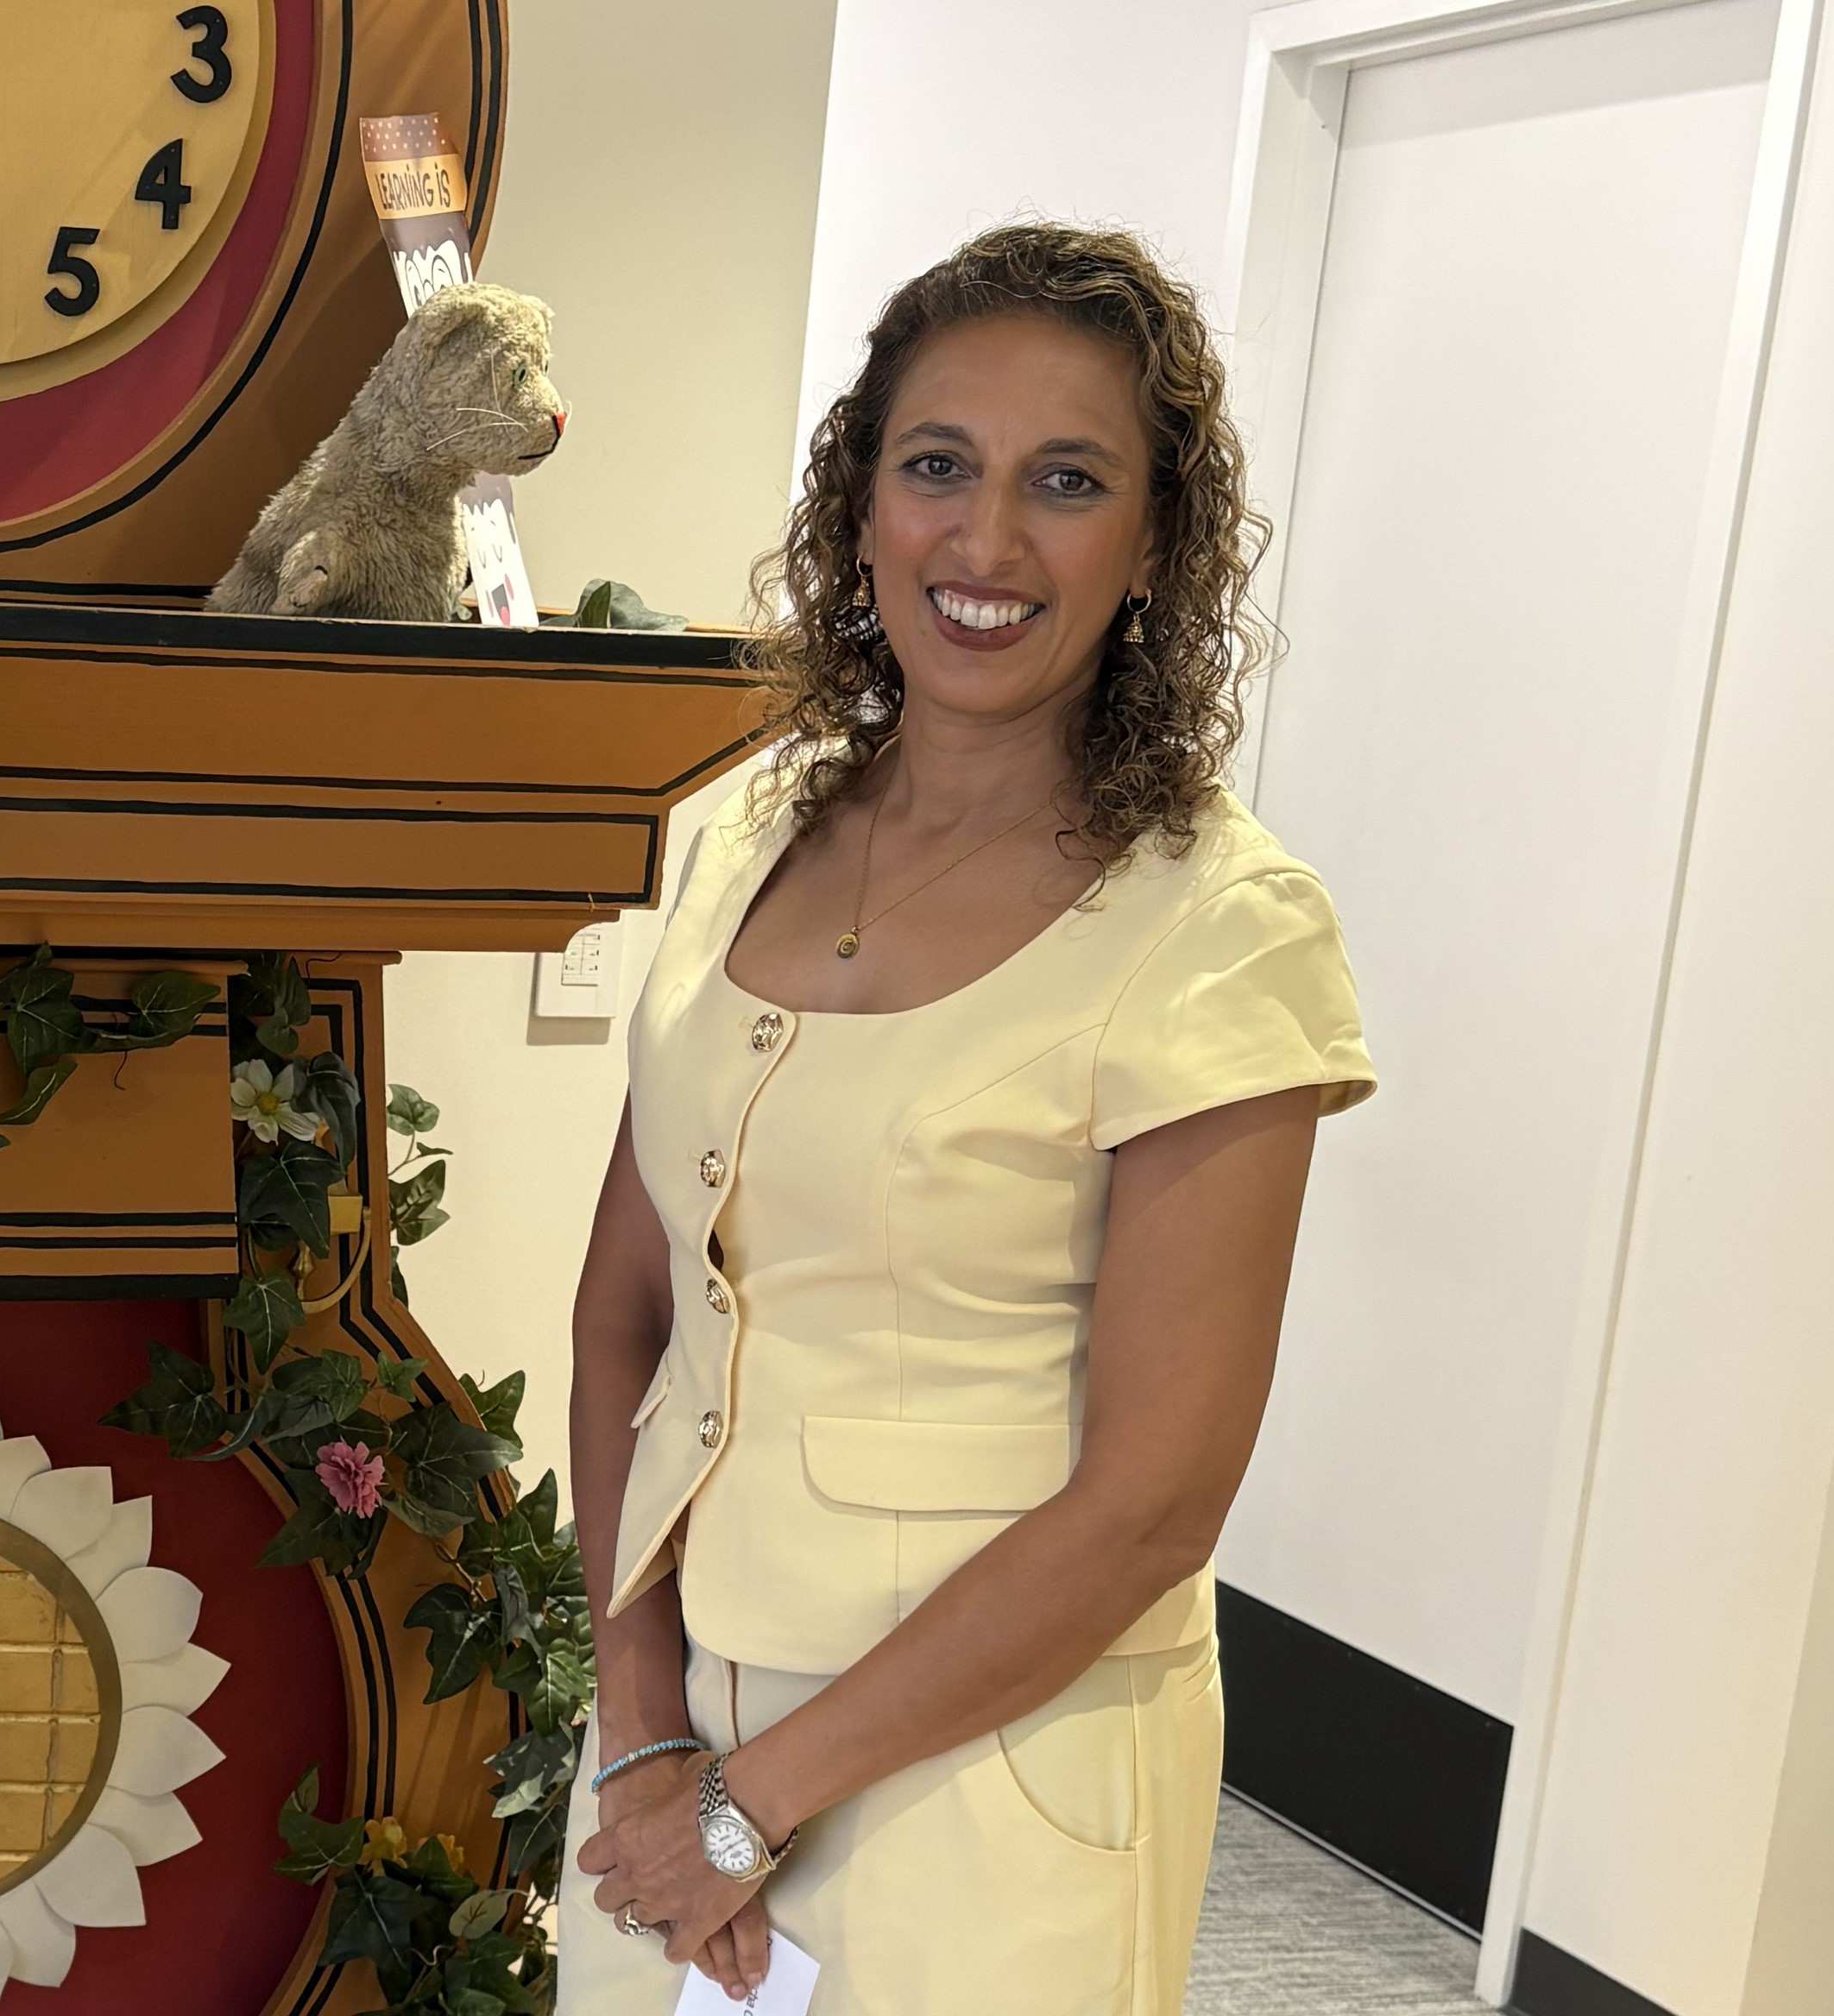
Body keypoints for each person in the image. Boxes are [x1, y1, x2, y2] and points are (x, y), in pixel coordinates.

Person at [559, 221, 1375, 2015]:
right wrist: (636, 1732)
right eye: (937, 467)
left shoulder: (1215, 925)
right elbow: (626, 1310)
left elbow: (1155, 1500)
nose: (985, 541)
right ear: (861, 506)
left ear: (1153, 542)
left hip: (990, 1773)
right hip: (671, 1747)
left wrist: (743, 1804)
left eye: (1064, 481)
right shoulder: (746, 837)